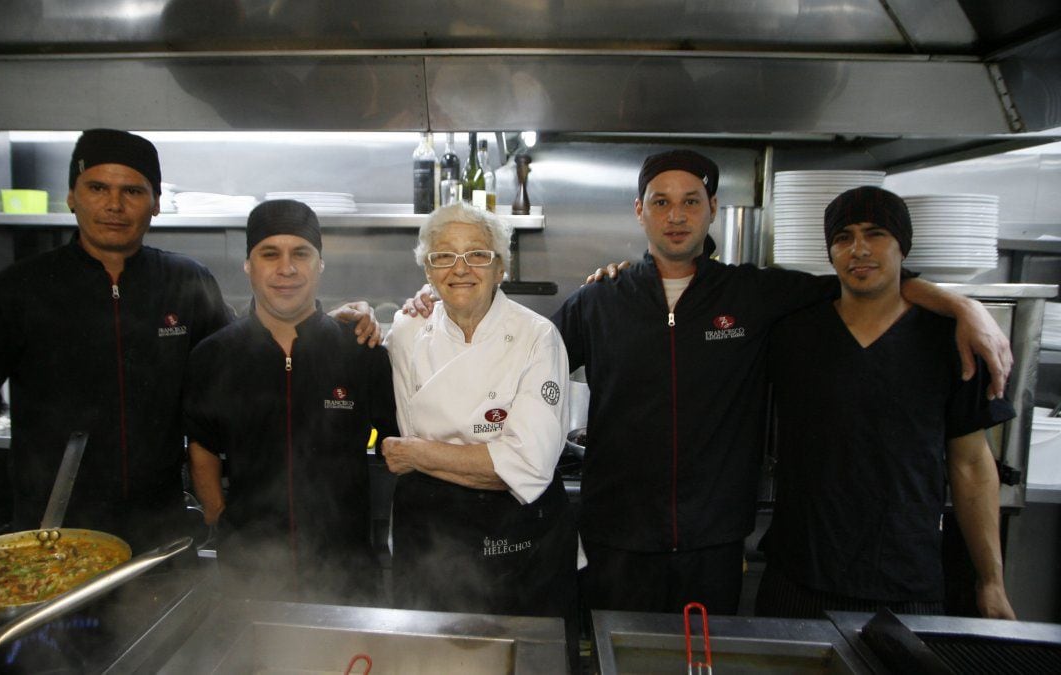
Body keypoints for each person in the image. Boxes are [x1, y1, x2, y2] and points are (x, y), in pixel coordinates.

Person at [408, 150, 1011, 616]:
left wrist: (963, 306)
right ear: (639, 212)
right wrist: (437, 299)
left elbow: (862, 278)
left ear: (713, 209)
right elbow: (515, 351)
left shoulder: (756, 294)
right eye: (661, 201)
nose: (676, 215)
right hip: (617, 539)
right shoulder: (600, 300)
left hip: (714, 546)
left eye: (691, 201)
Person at [0, 129, 379, 553]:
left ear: (155, 203)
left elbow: (248, 350)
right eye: (98, 188)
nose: (114, 205)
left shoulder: (185, 282)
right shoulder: (20, 289)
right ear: (71, 198)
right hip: (55, 521)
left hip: (160, 524)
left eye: (133, 191)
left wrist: (326, 326)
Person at [756, 186, 1016, 620]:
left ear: (902, 245)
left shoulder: (952, 341)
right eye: (843, 238)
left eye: (875, 233)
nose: (859, 250)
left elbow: (971, 464)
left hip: (904, 580)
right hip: (798, 575)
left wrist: (991, 581)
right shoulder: (791, 335)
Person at [182, 200, 398, 605]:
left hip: (347, 571)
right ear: (249, 265)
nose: (286, 268)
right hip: (249, 571)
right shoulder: (214, 355)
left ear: (320, 265)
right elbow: (203, 445)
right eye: (270, 254)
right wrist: (217, 514)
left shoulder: (360, 351)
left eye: (301, 253)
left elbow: (396, 445)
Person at [382, 203, 578, 623]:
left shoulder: (537, 336)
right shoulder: (406, 331)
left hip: (520, 540)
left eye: (477, 254)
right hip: (431, 536)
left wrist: (416, 454)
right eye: (443, 256)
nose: (460, 268)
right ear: (428, 272)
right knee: (428, 662)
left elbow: (528, 464)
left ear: (501, 268)